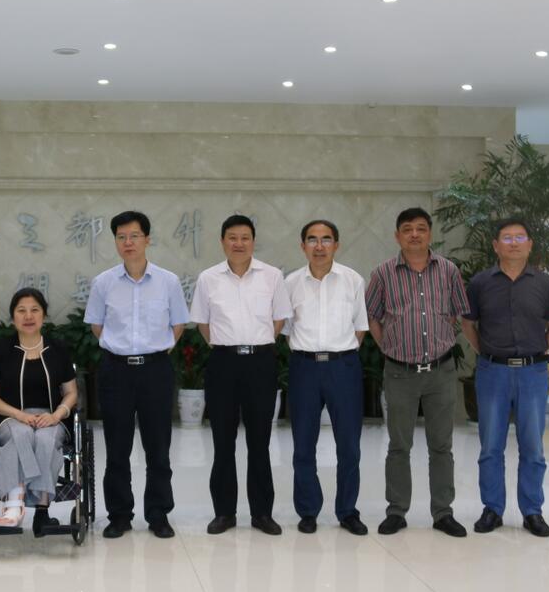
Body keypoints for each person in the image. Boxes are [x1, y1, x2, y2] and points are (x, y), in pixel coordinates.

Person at [366, 207, 470, 537]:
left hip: (440, 371)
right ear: (397, 236)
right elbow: (372, 317)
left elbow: (457, 314)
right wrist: (389, 347)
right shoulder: (382, 274)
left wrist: (441, 340)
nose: (414, 234)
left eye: (421, 228)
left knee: (442, 446)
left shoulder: (449, 270)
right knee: (399, 445)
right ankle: (397, 511)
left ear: (430, 234)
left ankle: (443, 512)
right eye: (408, 229)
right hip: (400, 373)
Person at [86, 210, 188, 539]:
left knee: (158, 448)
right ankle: (119, 515)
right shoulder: (103, 282)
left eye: (134, 236)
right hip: (116, 371)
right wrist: (119, 348)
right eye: (121, 237)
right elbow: (97, 326)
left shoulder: (168, 281)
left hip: (155, 370)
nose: (128, 242)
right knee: (117, 448)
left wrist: (155, 351)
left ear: (147, 239)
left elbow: (178, 325)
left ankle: (158, 514)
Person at [461, 219, 549, 537]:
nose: (514, 243)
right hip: (493, 372)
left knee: (532, 446)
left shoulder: (544, 283)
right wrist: (486, 352)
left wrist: (541, 351)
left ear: (530, 245)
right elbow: (468, 324)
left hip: (533, 373)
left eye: (520, 237)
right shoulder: (480, 283)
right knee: (491, 446)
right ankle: (492, 509)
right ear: (496, 246)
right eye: (507, 238)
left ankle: (532, 511)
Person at [190, 215, 291, 536]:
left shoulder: (272, 276)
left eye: (245, 237)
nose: (239, 243)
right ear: (223, 242)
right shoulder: (208, 278)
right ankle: (224, 513)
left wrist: (257, 344)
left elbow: (279, 319)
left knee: (260, 441)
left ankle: (262, 513)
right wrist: (226, 346)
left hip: (260, 362)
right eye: (232, 237)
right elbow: (203, 322)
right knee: (223, 441)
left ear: (253, 241)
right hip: (223, 363)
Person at [285, 219, 369, 536]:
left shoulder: (353, 280)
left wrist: (339, 355)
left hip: (343, 367)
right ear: (302, 245)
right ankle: (308, 510)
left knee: (349, 445)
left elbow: (360, 327)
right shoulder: (290, 283)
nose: (319, 246)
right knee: (303, 444)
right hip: (304, 367)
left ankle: (347, 511)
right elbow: (286, 329)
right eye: (312, 239)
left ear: (336, 244)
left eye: (326, 239)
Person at [0, 288, 78, 535]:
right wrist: (19, 415)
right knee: (21, 434)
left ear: (43, 315)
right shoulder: (2, 349)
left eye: (35, 310)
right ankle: (15, 503)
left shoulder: (57, 348)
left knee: (45, 438)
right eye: (21, 310)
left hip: (50, 416)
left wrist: (56, 415)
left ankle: (40, 512)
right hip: (9, 416)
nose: (28, 316)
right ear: (13, 316)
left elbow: (71, 392)